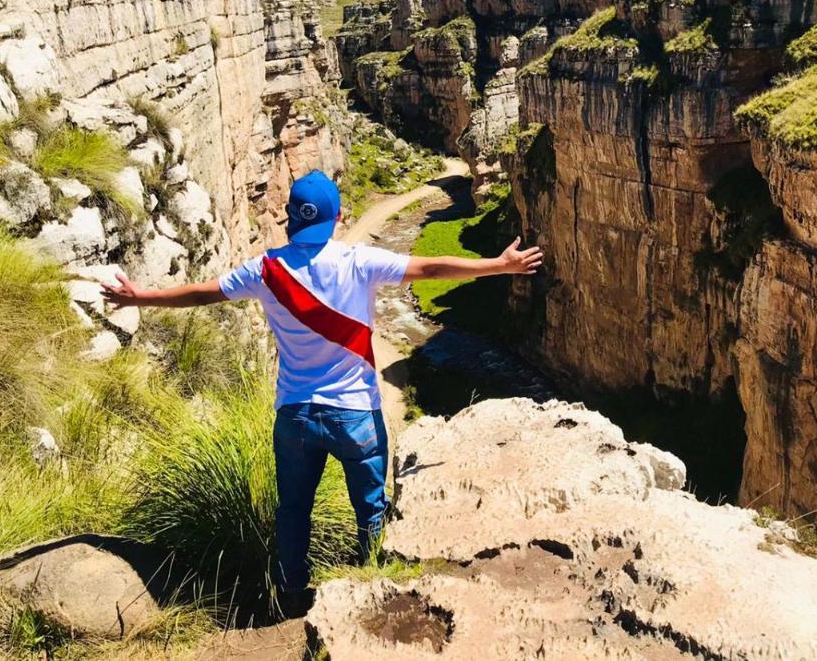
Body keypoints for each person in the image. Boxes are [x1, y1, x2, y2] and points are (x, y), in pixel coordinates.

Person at [102, 169, 543, 614]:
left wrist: (141, 297)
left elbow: (202, 294)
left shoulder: (266, 269)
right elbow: (429, 268)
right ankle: (370, 589)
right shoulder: (358, 261)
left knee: (294, 510)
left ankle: (292, 596)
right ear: (336, 218)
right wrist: (499, 265)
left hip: (295, 414)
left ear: (291, 217)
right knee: (371, 510)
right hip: (355, 414)